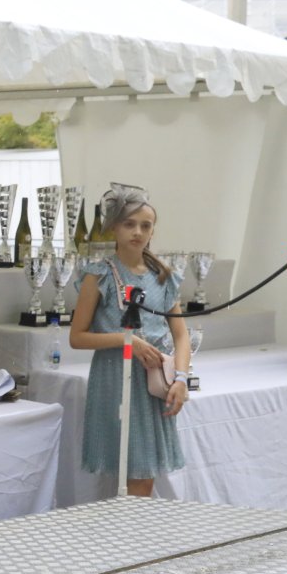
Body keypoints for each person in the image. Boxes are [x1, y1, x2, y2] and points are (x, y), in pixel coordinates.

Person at [67, 185, 189, 496]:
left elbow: (181, 334)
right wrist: (128, 342)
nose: (137, 232)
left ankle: (133, 525)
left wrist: (181, 378)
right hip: (115, 377)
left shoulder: (163, 277)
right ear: (114, 227)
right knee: (131, 469)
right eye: (129, 224)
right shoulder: (99, 275)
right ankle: (129, 525)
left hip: (153, 379)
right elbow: (77, 337)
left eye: (145, 226)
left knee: (143, 473)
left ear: (153, 231)